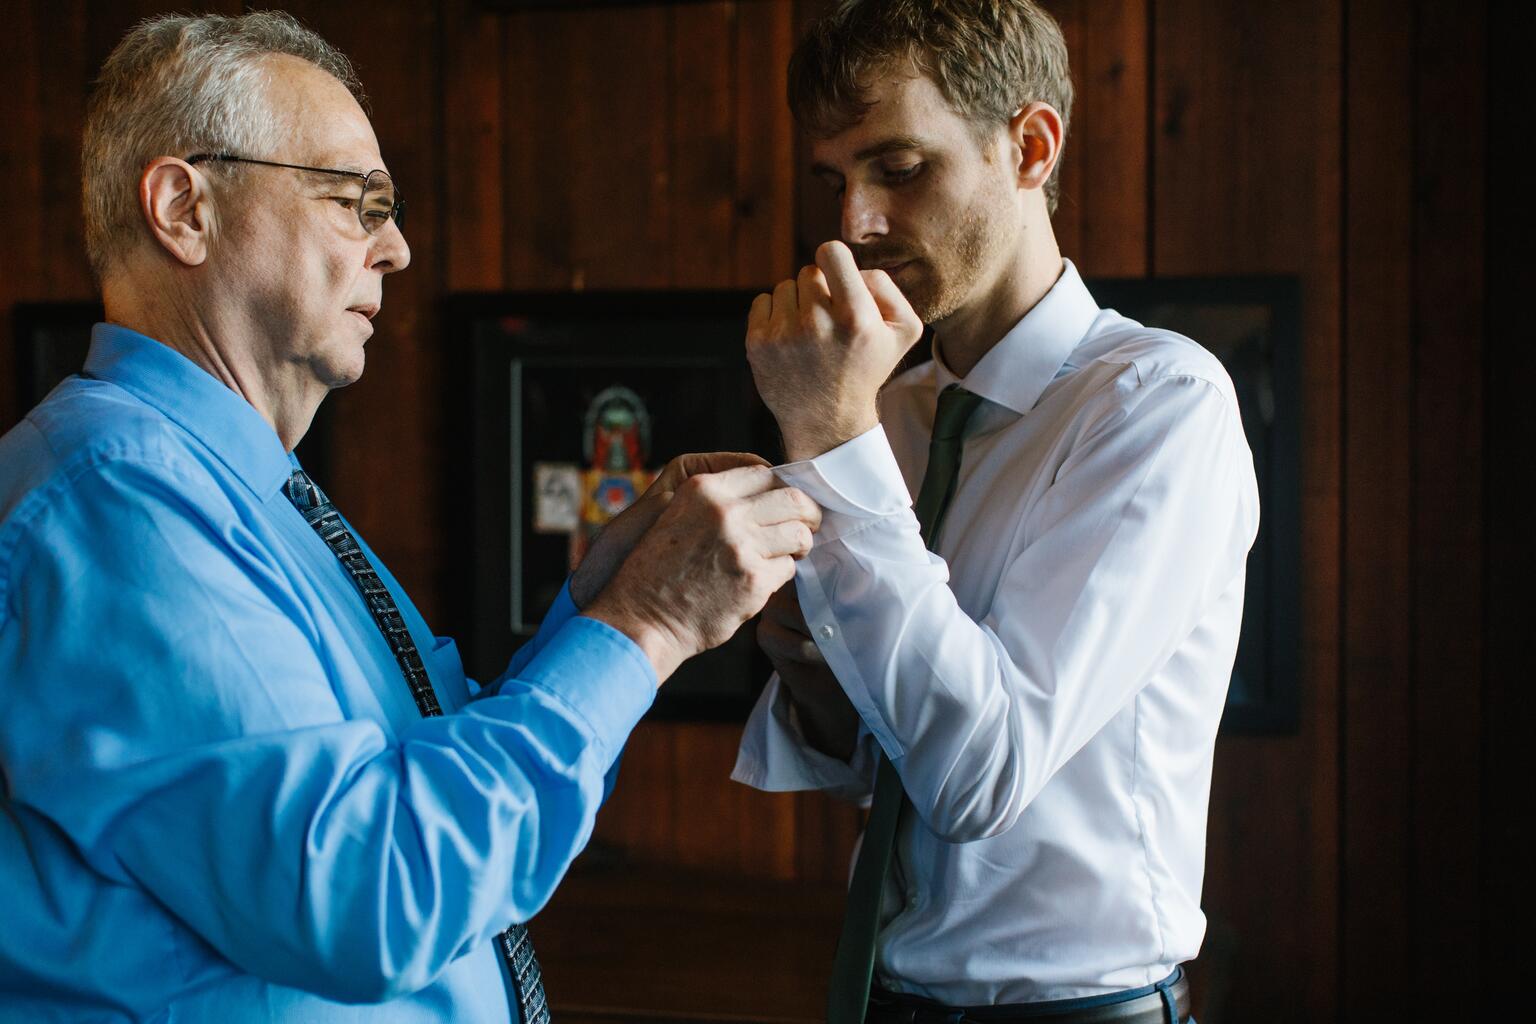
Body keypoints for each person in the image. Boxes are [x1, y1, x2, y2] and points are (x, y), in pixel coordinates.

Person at [0, 12, 819, 1023]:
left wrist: (595, 608)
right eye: (357, 201)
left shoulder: (231, 490)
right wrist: (644, 626)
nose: (397, 247)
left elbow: (412, 784)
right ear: (183, 208)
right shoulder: (117, 504)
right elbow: (375, 890)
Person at [732, 2, 1259, 1023]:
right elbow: (884, 758)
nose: (855, 226)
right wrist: (801, 647)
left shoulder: (1155, 402)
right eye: (835, 181)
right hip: (882, 995)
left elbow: (981, 775)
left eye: (900, 167)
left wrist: (832, 435)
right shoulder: (887, 404)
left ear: (1029, 146)